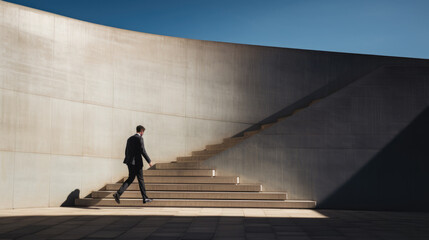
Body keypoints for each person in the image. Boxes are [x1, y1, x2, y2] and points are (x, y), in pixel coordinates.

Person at [113, 125, 154, 204]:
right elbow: (143, 151)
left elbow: (126, 151)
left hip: (130, 162)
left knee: (130, 178)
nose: (143, 134)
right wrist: (149, 161)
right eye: (143, 132)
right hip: (137, 163)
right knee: (140, 179)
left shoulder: (129, 139)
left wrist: (128, 160)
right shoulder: (140, 138)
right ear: (141, 131)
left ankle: (118, 194)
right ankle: (145, 198)